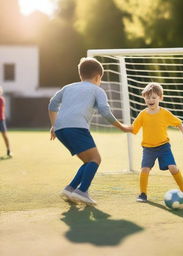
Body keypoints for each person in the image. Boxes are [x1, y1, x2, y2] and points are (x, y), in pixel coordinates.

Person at [48, 57, 130, 205]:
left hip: (60, 130)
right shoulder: (97, 89)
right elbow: (105, 111)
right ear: (98, 77)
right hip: (76, 128)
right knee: (95, 159)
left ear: (81, 75)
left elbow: (52, 103)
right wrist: (122, 127)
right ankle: (82, 191)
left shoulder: (68, 87)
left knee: (88, 161)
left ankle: (70, 188)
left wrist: (54, 125)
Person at [131, 82, 183, 202]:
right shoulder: (142, 115)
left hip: (164, 147)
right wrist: (123, 127)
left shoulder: (165, 113)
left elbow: (178, 122)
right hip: (148, 148)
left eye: (153, 97)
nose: (150, 100)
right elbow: (134, 129)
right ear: (144, 98)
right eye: (147, 97)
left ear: (160, 98)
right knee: (144, 169)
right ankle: (143, 194)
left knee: (173, 167)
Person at [0, 87, 12, 158]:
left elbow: (3, 110)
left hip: (1, 120)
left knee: (5, 136)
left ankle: (8, 150)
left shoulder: (2, 100)